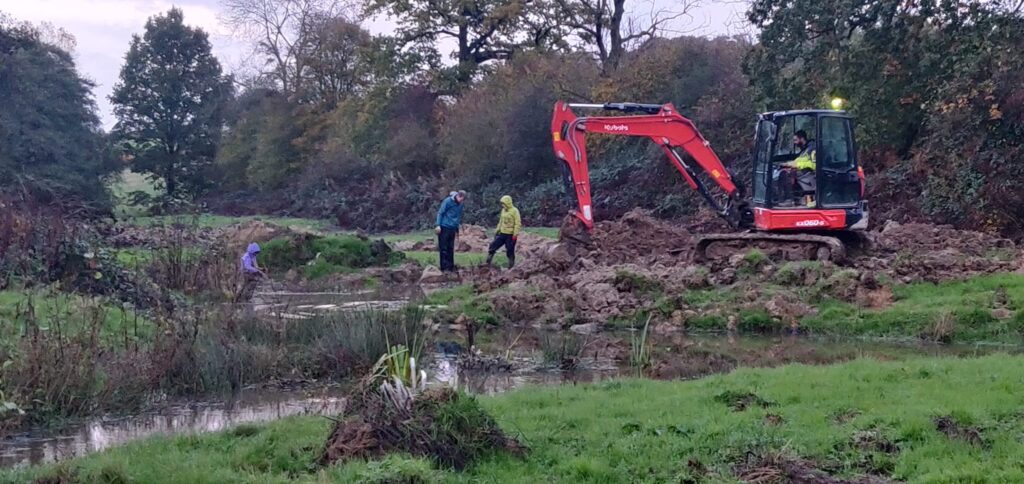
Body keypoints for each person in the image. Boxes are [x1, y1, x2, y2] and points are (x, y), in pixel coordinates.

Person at [780, 130, 817, 206]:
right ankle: (787, 197)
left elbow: (814, 165)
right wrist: (788, 164)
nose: (794, 142)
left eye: (795, 140)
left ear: (802, 139)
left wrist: (796, 166)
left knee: (786, 174)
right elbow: (800, 160)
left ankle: (790, 199)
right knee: (782, 172)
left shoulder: (813, 149)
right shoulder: (804, 149)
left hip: (811, 173)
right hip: (804, 171)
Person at [486, 195, 522, 269]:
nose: (502, 205)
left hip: (511, 234)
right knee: (493, 246)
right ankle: (488, 262)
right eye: (502, 204)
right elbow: (501, 221)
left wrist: (515, 234)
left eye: (504, 203)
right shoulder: (503, 210)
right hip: (502, 233)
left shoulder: (515, 211)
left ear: (508, 203)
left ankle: (511, 266)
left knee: (510, 249)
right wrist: (497, 230)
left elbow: (517, 223)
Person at [435, 190, 466, 273]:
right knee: (443, 248)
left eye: (463, 200)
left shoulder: (461, 204)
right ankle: (444, 268)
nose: (461, 201)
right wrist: (438, 225)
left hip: (453, 228)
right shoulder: (447, 201)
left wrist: (457, 227)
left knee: (450, 248)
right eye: (460, 199)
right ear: (458, 196)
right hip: (444, 227)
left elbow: (458, 215)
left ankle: (450, 267)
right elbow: (440, 213)